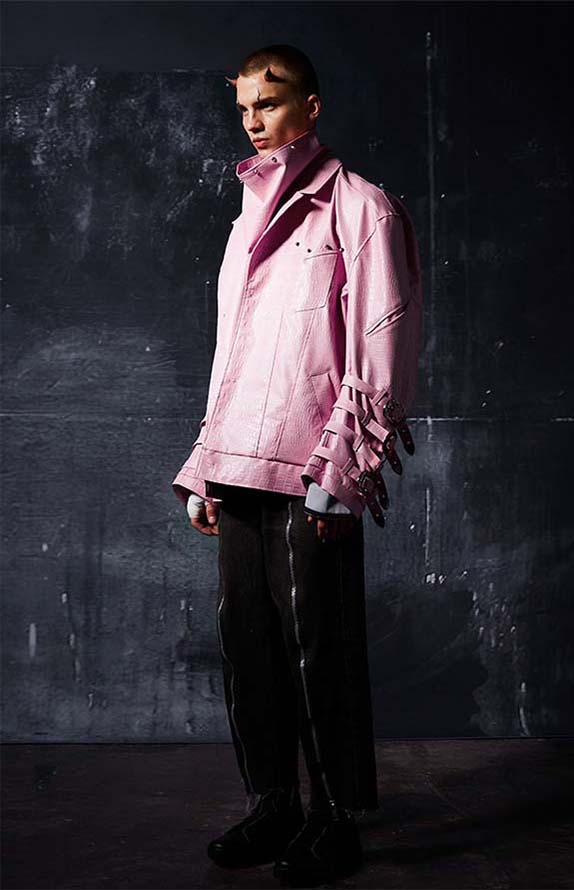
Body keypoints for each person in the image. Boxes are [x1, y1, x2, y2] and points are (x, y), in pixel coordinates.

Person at [171, 44, 422, 887]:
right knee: (248, 645)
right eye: (244, 105)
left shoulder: (363, 208)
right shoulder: (246, 216)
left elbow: (382, 350)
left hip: (314, 467)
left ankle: (335, 820)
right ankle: (274, 804)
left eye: (270, 102)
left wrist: (342, 472)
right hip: (240, 458)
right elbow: (232, 355)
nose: (254, 119)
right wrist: (206, 464)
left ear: (311, 108)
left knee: (320, 646)